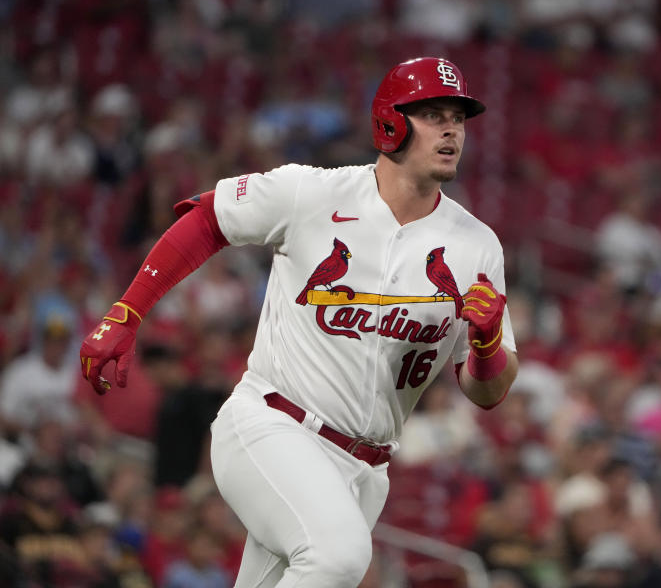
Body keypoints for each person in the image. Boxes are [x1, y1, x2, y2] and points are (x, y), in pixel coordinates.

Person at [79, 56, 519, 587]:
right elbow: (206, 220)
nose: (452, 128)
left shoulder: (477, 245)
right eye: (434, 114)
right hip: (275, 427)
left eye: (459, 117)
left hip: (366, 471)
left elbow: (487, 390)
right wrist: (127, 313)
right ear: (391, 122)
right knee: (338, 558)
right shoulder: (313, 192)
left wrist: (489, 343)